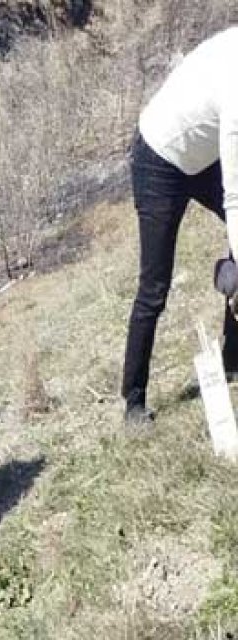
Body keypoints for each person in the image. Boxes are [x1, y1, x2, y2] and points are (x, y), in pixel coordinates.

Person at [122, 27, 238, 425]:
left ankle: (234, 353)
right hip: (158, 159)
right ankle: (133, 403)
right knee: (154, 287)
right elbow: (235, 195)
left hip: (199, 153)